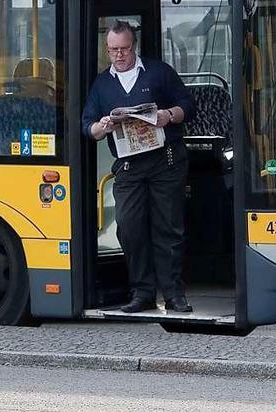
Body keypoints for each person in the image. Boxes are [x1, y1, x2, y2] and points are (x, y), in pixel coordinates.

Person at [81, 20, 196, 313]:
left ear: (134, 47)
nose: (119, 55)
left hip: (165, 161)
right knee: (129, 227)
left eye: (124, 49)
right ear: (107, 50)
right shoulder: (102, 84)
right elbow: (87, 127)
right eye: (113, 50)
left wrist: (168, 115)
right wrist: (102, 126)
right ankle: (142, 292)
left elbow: (189, 105)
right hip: (128, 167)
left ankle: (173, 294)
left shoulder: (158, 72)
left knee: (168, 228)